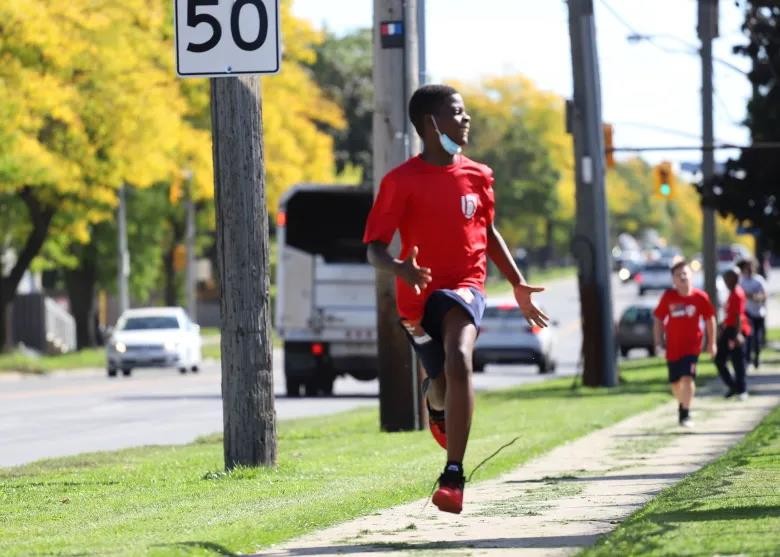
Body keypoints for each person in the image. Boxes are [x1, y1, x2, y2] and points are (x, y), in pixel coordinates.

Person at [362, 84, 548, 514]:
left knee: (460, 357)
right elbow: (373, 248)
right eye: (457, 112)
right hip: (416, 300)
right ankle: (435, 400)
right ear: (431, 123)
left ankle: (453, 475)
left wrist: (517, 283)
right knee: (442, 383)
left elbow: (489, 232)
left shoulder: (478, 175)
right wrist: (401, 269)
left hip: (466, 286)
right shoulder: (400, 181)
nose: (466, 120)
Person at [653, 259, 717, 427]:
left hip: (692, 347)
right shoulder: (668, 297)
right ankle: (682, 404)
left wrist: (712, 343)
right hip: (673, 348)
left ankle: (685, 414)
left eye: (685, 273)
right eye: (678, 275)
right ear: (673, 280)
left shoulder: (700, 297)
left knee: (687, 378)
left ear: (691, 275)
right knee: (675, 383)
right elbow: (658, 318)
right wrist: (658, 342)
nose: (682, 277)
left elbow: (710, 319)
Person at [716, 268, 751, 400]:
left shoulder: (737, 293)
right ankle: (733, 386)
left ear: (734, 279)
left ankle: (742, 389)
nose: (725, 282)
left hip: (736, 330)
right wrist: (722, 325)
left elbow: (738, 316)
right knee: (720, 359)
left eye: (727, 279)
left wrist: (737, 334)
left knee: (738, 361)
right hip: (729, 328)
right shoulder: (732, 293)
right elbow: (731, 314)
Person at [737, 258, 767, 368]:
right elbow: (741, 295)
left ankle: (757, 358)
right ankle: (747, 359)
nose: (749, 269)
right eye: (747, 267)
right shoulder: (742, 281)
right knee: (749, 336)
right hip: (747, 313)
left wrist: (753, 296)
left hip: (759, 313)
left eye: (751, 267)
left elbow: (763, 295)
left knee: (757, 338)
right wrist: (751, 296)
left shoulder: (759, 280)